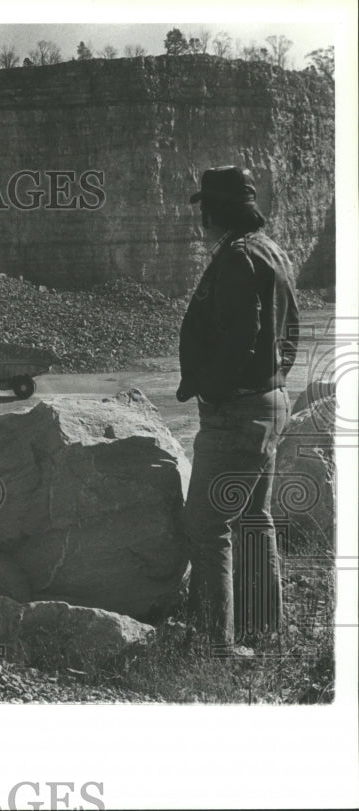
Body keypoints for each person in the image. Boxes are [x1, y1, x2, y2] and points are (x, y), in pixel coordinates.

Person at [176, 166, 299, 656]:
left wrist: (212, 392)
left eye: (204, 207)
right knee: (253, 518)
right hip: (270, 402)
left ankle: (214, 645)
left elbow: (237, 339)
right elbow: (282, 336)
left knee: (207, 526)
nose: (200, 218)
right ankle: (262, 630)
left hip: (238, 411)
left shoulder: (237, 257)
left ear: (216, 210)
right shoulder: (271, 250)